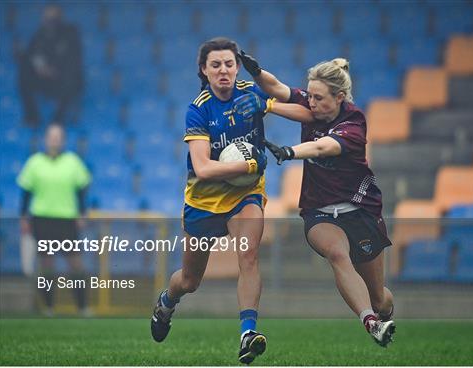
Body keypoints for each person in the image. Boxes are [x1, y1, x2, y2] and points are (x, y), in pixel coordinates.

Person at [149, 37, 311, 364]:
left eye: (229, 64)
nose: (224, 70)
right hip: (204, 202)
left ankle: (247, 333)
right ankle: (167, 302)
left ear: (237, 67)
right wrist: (248, 164)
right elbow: (203, 167)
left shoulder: (252, 90)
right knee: (190, 281)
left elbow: (309, 113)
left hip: (245, 194)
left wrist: (269, 105)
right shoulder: (199, 109)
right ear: (204, 71)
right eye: (215, 65)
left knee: (248, 254)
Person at [233, 52, 396, 347]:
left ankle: (380, 312)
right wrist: (256, 71)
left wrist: (290, 152)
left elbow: (323, 148)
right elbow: (278, 88)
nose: (312, 103)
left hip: (360, 212)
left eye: (320, 99)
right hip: (319, 211)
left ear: (340, 98)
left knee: (380, 297)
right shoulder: (311, 102)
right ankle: (370, 322)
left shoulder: (354, 122)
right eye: (311, 96)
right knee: (337, 254)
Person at [17, 123, 91, 316]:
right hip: (41, 219)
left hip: (67, 220)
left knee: (76, 265)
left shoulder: (73, 161)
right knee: (46, 265)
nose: (55, 140)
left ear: (63, 140)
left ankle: (82, 308)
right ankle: (48, 308)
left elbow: (82, 190)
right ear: (45, 139)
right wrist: (23, 217)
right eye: (52, 136)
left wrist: (82, 213)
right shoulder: (34, 162)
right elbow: (25, 192)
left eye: (58, 136)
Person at [16, 4, 83, 125]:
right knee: (24, 71)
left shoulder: (70, 32)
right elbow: (32, 54)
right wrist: (41, 67)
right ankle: (32, 117)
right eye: (47, 17)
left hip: (64, 77)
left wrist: (56, 69)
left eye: (53, 17)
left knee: (72, 76)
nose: (49, 21)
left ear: (60, 17)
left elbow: (74, 58)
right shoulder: (40, 34)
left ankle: (58, 120)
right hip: (45, 78)